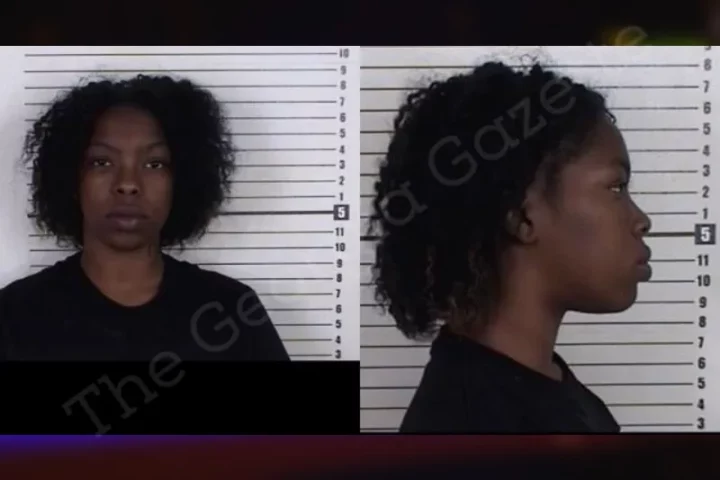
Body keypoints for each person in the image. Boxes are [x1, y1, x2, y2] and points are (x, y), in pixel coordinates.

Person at [368, 61, 652, 432]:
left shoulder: (545, 384)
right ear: (521, 217)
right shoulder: (471, 431)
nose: (642, 220)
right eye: (615, 187)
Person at [0, 75, 289, 362]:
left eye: (154, 164)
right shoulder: (14, 317)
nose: (128, 184)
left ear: (182, 181)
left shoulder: (230, 312)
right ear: (72, 179)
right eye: (102, 162)